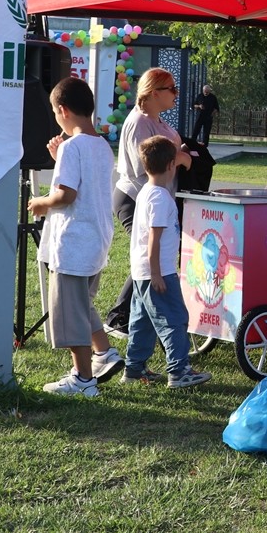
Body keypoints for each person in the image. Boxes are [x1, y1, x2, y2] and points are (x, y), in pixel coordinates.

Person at [29, 77, 123, 397]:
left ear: (63, 110)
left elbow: (66, 195)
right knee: (82, 305)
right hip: (96, 239)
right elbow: (84, 184)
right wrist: (62, 160)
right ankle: (104, 354)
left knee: (70, 314)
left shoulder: (71, 147)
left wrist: (40, 203)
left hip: (73, 244)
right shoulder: (100, 145)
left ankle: (83, 380)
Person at [105, 67, 192, 338]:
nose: (176, 94)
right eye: (172, 89)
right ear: (155, 92)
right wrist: (179, 158)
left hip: (155, 199)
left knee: (155, 256)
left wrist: (183, 154)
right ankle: (120, 317)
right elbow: (149, 167)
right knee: (147, 257)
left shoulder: (158, 121)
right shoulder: (139, 123)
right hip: (136, 199)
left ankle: (137, 318)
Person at [123, 135, 211, 389]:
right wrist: (157, 273)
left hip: (142, 273)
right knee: (174, 318)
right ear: (172, 165)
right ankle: (179, 370)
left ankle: (134, 368)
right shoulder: (160, 198)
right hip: (157, 273)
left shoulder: (146, 193)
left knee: (143, 322)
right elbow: (154, 238)